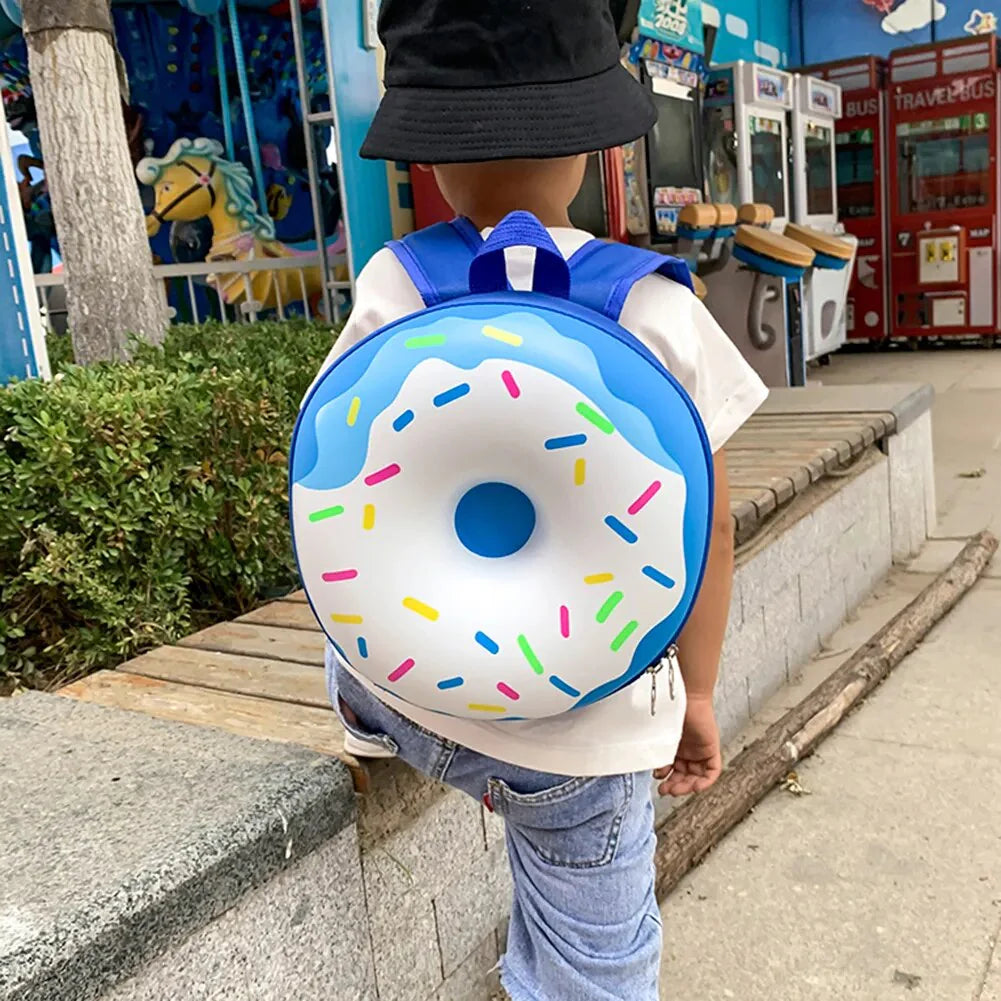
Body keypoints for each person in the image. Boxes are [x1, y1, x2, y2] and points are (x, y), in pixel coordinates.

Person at [313, 1, 768, 997]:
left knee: (360, 559)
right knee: (590, 967)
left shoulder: (394, 285)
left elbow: (333, 491)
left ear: (428, 160)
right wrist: (691, 697)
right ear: (593, 146)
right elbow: (709, 535)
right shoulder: (656, 306)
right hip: (586, 734)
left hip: (414, 697)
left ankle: (356, 711)